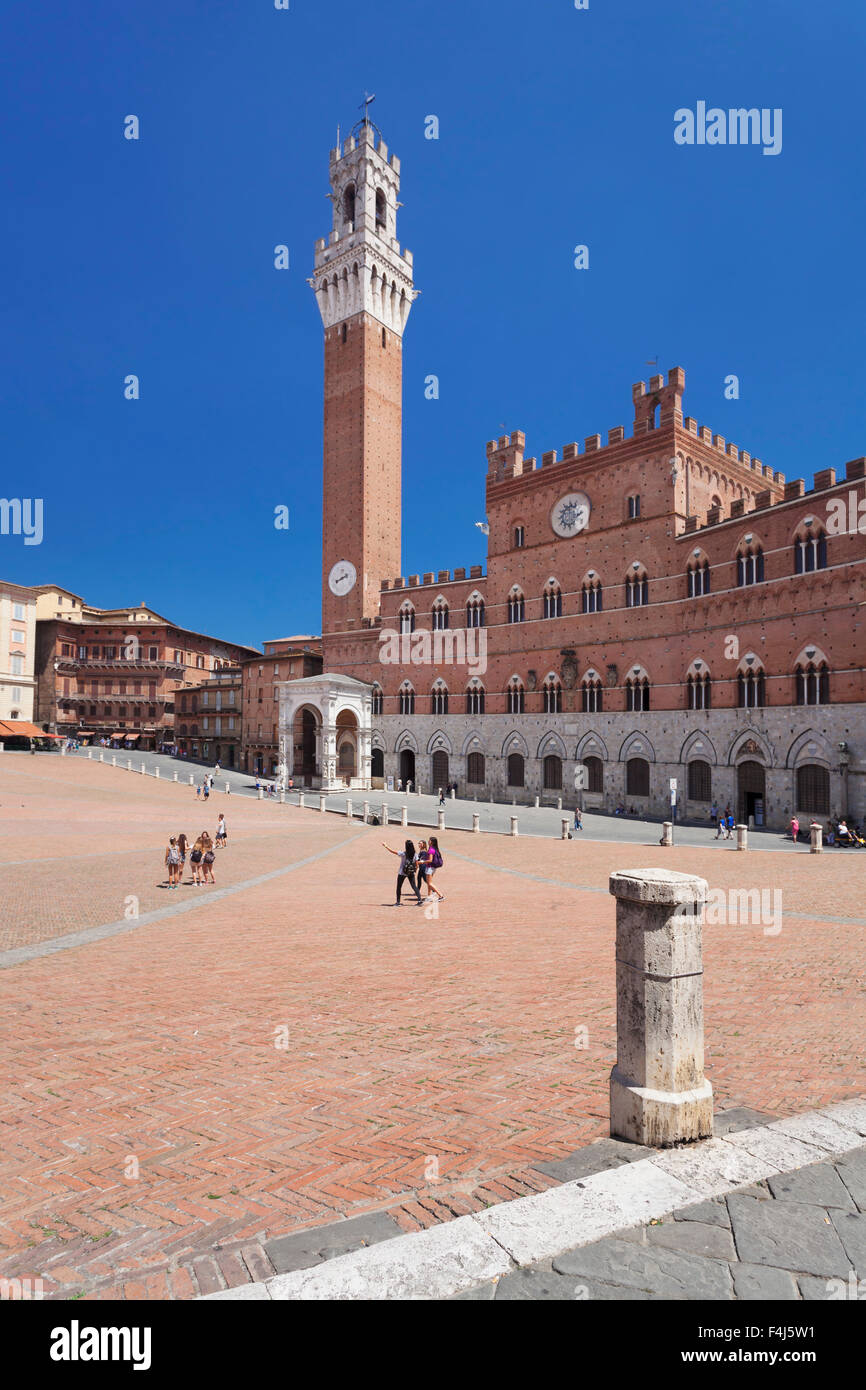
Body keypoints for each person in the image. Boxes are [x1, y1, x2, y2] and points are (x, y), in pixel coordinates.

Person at [383, 839, 422, 905]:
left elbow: (392, 851)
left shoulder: (403, 853)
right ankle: (419, 900)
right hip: (411, 872)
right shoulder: (415, 854)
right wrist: (414, 871)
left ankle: (398, 902)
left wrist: (386, 846)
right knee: (414, 886)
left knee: (399, 887)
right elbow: (417, 864)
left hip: (402, 872)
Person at [424, 836, 445, 903]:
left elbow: (430, 860)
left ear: (432, 842)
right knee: (429, 882)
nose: (428, 841)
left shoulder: (431, 850)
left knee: (429, 883)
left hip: (430, 867)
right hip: (432, 868)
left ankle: (441, 895)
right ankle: (429, 896)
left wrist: (422, 862)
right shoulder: (434, 849)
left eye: (429, 840)